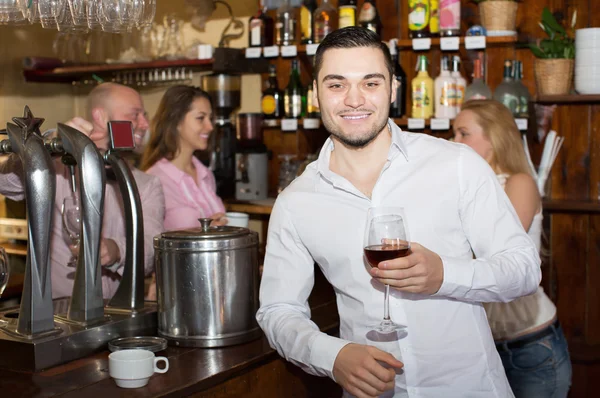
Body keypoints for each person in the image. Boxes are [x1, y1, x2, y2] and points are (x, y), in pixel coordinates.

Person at [256, 26, 541, 398]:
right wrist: (332, 355)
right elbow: (278, 310)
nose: (354, 100)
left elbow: (523, 269)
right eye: (336, 84)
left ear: (392, 89)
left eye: (370, 83)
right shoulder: (296, 201)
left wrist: (445, 274)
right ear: (315, 94)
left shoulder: (455, 164)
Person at [0, 83, 165, 299]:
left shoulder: (148, 184)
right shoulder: (55, 169)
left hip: (118, 316)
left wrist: (116, 250)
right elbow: (6, 183)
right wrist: (48, 149)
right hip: (56, 312)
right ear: (100, 116)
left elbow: (151, 253)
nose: (145, 124)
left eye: (145, 115)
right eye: (135, 115)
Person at [454, 99, 572, 398]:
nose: (453, 141)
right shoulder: (465, 189)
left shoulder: (519, 183)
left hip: (530, 347)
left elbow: (499, 255)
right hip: (482, 348)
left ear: (493, 138)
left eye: (463, 133)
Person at [140, 85, 226, 231]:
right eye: (201, 118)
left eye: (210, 119)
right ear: (177, 122)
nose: (210, 126)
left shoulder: (206, 175)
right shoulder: (153, 180)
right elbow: (148, 242)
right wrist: (203, 231)